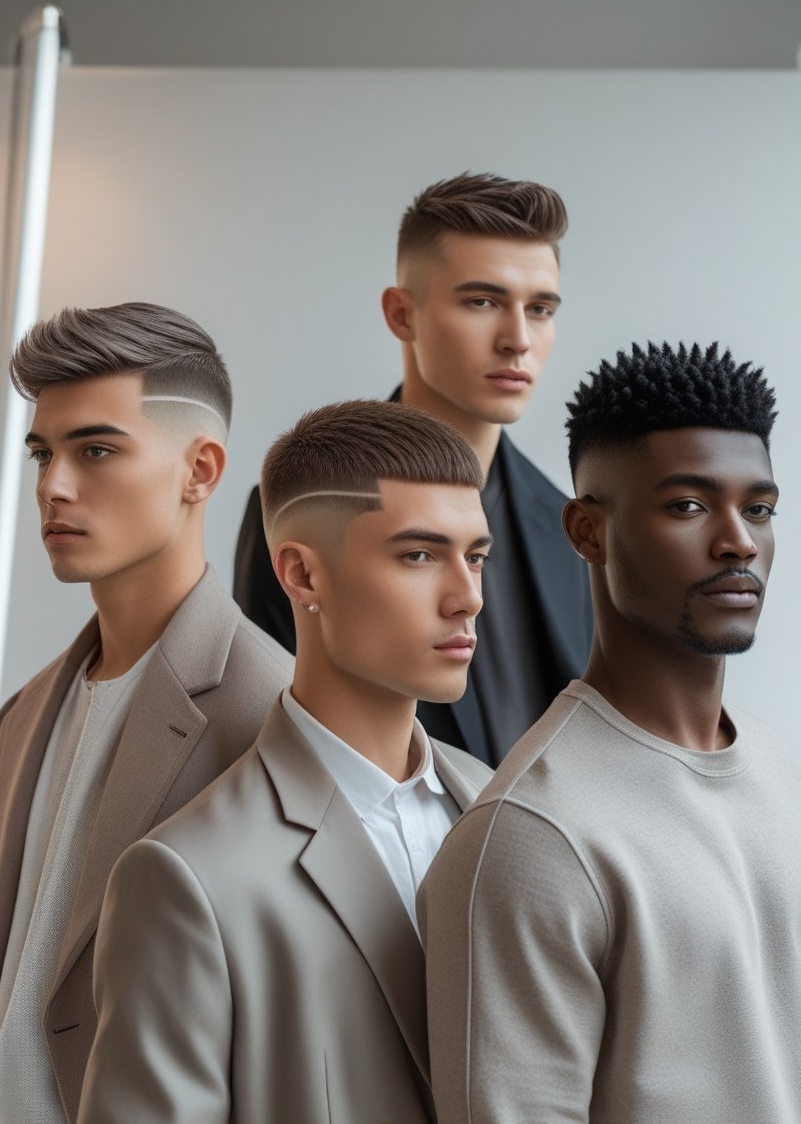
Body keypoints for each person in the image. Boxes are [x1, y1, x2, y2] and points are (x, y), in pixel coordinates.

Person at [65, 400, 493, 1124]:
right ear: (301, 575)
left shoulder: (502, 809)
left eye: (476, 557)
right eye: (418, 555)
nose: (465, 597)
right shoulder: (188, 878)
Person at [419, 341, 801, 1124]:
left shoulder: (784, 779)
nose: (737, 538)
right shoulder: (532, 835)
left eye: (761, 506)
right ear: (588, 530)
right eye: (689, 504)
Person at [0, 302, 293, 1124]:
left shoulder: (271, 716)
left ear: (201, 470)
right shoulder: (24, 714)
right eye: (43, 454)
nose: (54, 486)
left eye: (97, 450)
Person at [233, 172, 593, 766]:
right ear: (402, 314)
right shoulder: (313, 507)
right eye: (482, 301)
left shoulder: (574, 530)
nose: (517, 340)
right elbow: (275, 740)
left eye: (541, 308)